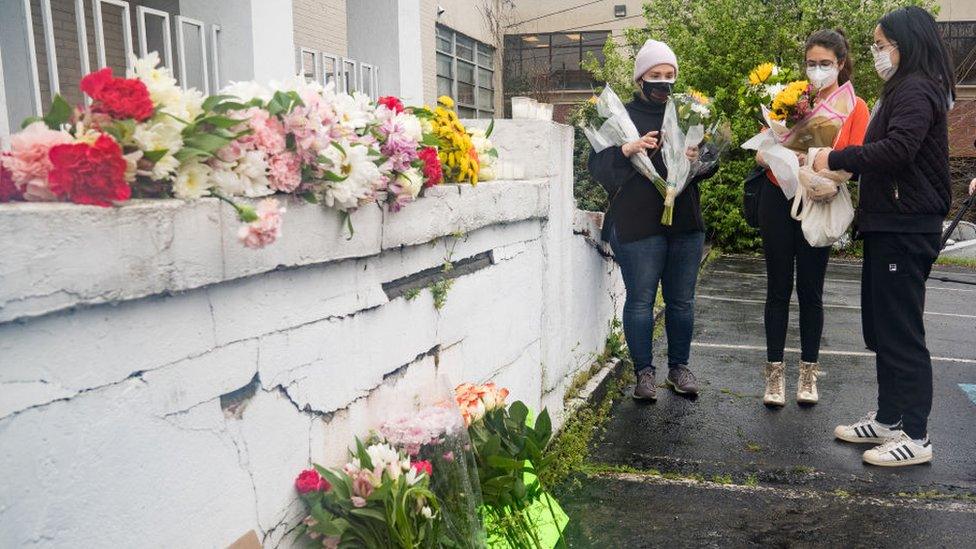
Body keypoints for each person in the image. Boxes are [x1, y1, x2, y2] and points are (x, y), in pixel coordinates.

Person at [812, 6, 955, 467]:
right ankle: (890, 417)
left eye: (880, 44)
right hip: (888, 223)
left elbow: (897, 151)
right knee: (881, 327)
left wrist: (837, 159)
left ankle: (916, 434)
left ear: (905, 44)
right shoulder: (905, 88)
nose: (876, 53)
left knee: (900, 331)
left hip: (905, 226)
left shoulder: (916, 88)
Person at [588, 39, 719, 401]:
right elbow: (596, 166)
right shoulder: (617, 117)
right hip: (637, 222)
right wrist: (627, 149)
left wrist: (699, 156)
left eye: (669, 75)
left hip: (685, 223)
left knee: (681, 301)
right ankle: (643, 374)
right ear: (639, 79)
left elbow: (711, 162)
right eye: (655, 75)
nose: (663, 82)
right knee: (641, 300)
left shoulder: (691, 112)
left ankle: (679, 368)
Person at [755, 30, 870, 408]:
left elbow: (855, 160)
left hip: (818, 200)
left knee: (811, 291)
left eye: (825, 63)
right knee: (776, 290)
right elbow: (761, 151)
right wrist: (784, 158)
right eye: (811, 63)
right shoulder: (789, 98)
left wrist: (820, 173)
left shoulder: (855, 106)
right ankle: (774, 377)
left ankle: (808, 374)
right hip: (778, 196)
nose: (817, 69)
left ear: (841, 63)